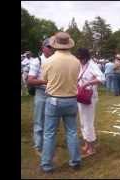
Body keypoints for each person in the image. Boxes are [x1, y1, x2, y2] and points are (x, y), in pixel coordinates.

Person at [40, 32, 81, 173]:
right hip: (71, 100)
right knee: (72, 132)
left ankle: (46, 165)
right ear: (68, 44)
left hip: (54, 100)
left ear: (55, 44)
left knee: (50, 133)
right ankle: (75, 161)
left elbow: (44, 79)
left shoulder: (49, 61)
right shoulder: (76, 61)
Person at [75, 48, 105, 158]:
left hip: (89, 97)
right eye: (79, 58)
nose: (80, 60)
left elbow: (102, 78)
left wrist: (88, 83)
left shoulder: (92, 65)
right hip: (81, 95)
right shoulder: (81, 64)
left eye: (81, 58)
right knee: (83, 122)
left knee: (88, 122)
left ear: (86, 57)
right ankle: (86, 144)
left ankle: (92, 148)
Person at [27, 38, 54, 156]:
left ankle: (47, 144)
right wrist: (46, 82)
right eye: (48, 47)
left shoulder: (55, 60)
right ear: (43, 48)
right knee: (39, 121)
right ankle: (38, 145)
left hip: (53, 94)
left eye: (52, 47)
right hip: (41, 94)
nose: (51, 49)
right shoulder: (37, 61)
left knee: (51, 121)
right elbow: (30, 80)